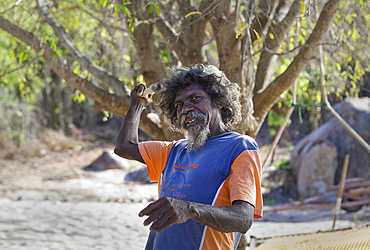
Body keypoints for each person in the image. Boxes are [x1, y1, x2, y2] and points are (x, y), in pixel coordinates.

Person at [115, 64, 263, 250]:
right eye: (179, 105)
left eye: (195, 98)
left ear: (218, 100)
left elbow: (243, 219)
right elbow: (124, 147)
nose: (185, 109)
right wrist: (137, 105)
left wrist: (189, 209)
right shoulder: (174, 150)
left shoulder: (240, 147)